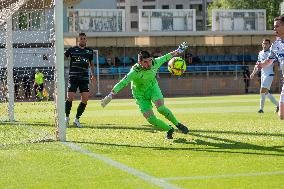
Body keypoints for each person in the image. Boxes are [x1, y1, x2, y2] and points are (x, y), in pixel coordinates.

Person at [101, 42, 189, 139]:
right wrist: (110, 95)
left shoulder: (155, 62)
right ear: (140, 62)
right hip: (140, 95)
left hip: (152, 88)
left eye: (150, 60)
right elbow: (122, 83)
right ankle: (169, 129)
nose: (149, 64)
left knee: (161, 108)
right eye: (145, 62)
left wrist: (179, 51)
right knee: (151, 120)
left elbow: (167, 56)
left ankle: (178, 124)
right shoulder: (134, 71)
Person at [64, 32, 96, 128]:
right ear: (78, 40)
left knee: (85, 99)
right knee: (70, 97)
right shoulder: (72, 50)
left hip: (84, 78)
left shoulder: (89, 51)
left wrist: (93, 75)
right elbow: (63, 57)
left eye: (84, 38)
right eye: (81, 38)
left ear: (86, 40)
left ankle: (77, 119)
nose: (82, 40)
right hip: (73, 77)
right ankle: (66, 118)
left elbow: (91, 64)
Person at [258, 15, 284, 119]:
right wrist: (261, 64)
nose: (274, 29)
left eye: (277, 26)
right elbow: (269, 60)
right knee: (281, 116)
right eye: (274, 26)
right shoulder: (276, 45)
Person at [250, 39, 279, 113]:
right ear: (262, 44)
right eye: (264, 43)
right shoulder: (260, 53)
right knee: (265, 92)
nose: (265, 45)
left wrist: (276, 76)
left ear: (269, 45)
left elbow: (275, 64)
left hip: (269, 74)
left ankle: (261, 109)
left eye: (266, 43)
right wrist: (253, 73)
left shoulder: (271, 53)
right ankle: (279, 105)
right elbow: (257, 64)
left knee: (262, 91)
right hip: (263, 74)